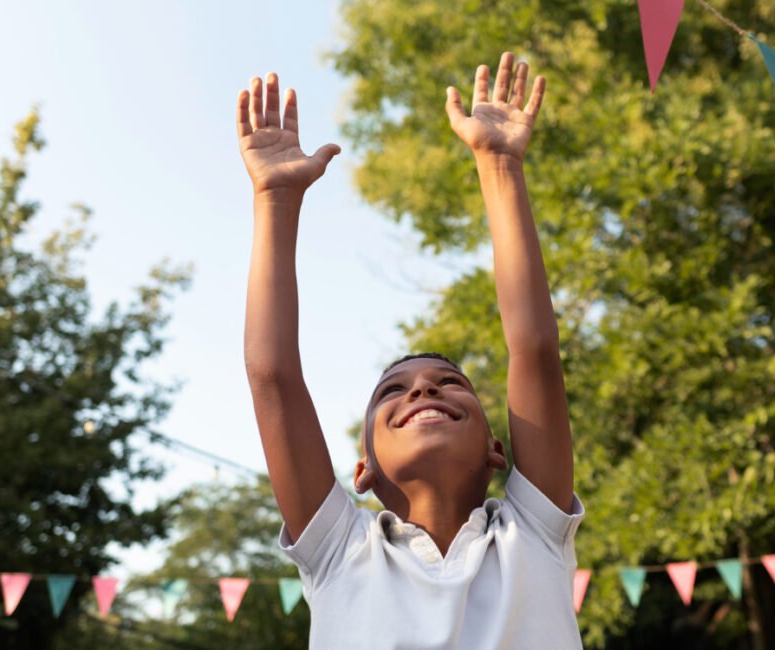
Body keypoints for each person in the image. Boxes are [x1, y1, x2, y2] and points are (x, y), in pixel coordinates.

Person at [239, 50, 584, 648]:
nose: (423, 389)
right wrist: (273, 199)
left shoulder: (533, 532)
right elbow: (272, 375)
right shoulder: (339, 550)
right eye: (392, 393)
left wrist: (500, 166)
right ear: (363, 469)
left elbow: (533, 348)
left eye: (451, 384)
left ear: (497, 451)